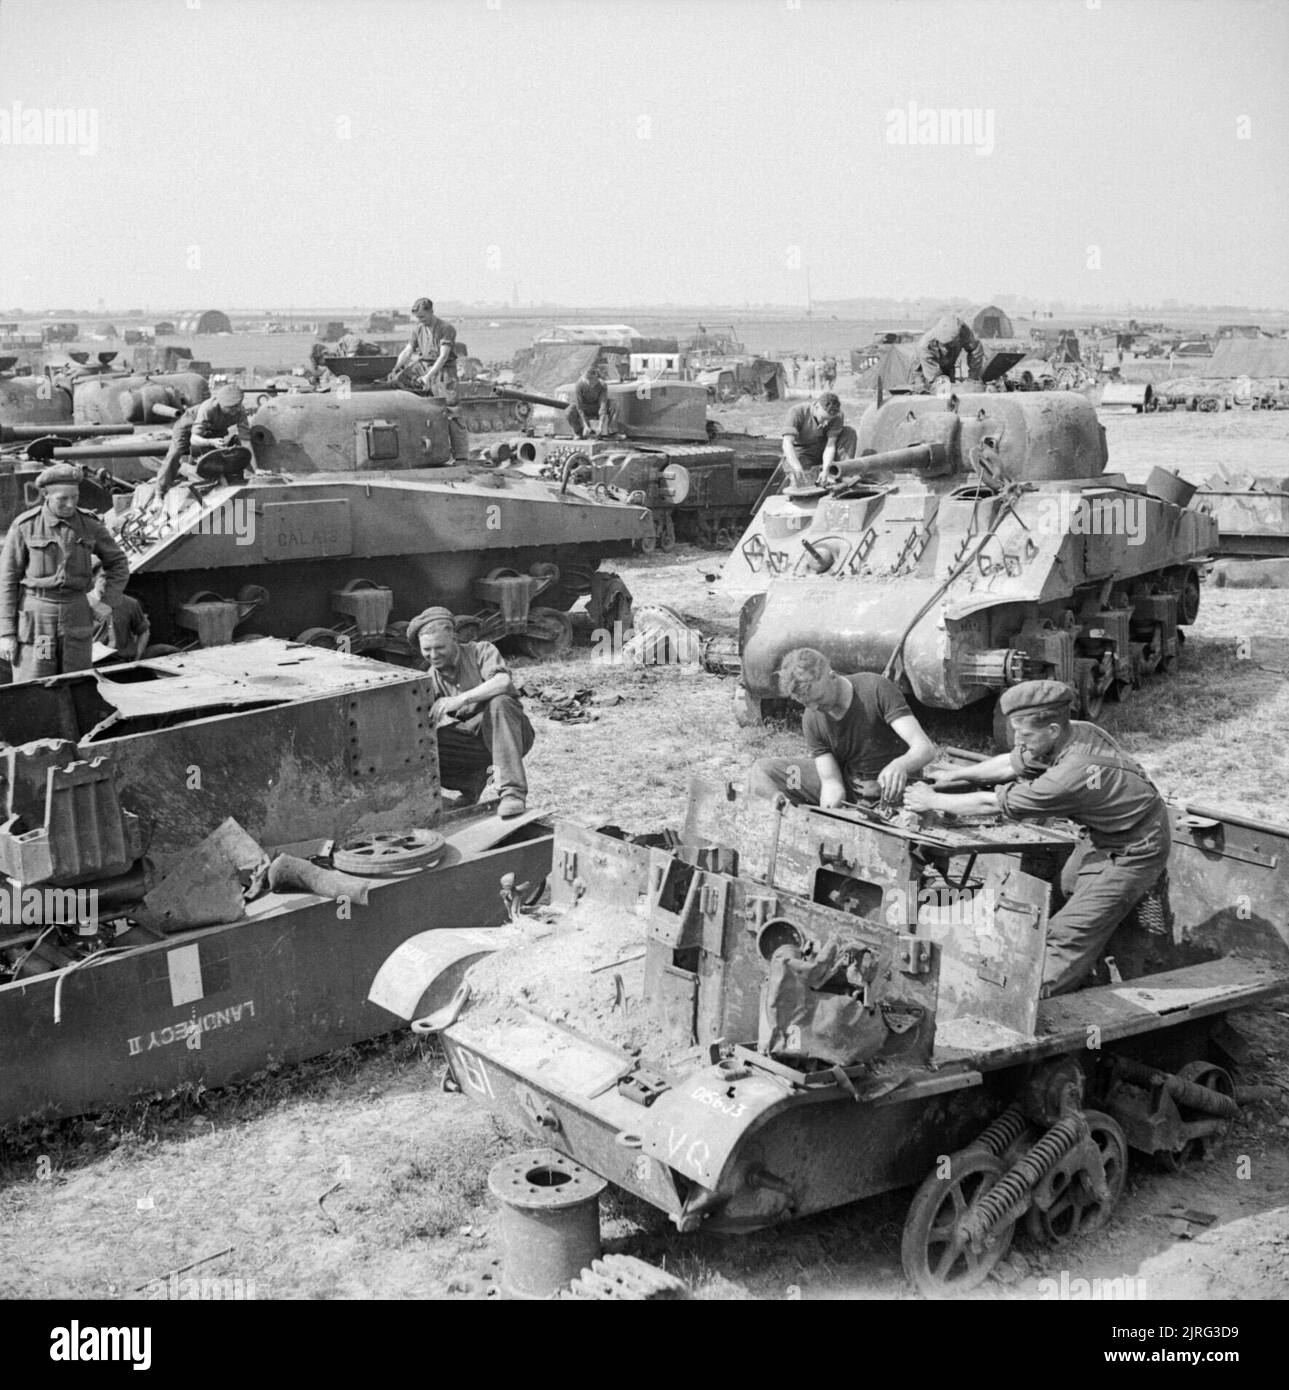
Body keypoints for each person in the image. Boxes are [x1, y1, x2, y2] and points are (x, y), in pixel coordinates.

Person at [904, 680, 1171, 998]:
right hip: (1104, 834)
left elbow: (993, 804)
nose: (1018, 740)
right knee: (1053, 898)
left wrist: (932, 801)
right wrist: (954, 776)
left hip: (1136, 848)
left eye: (1025, 735)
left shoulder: (1071, 775)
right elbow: (1009, 764)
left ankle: (1020, 1002)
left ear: (1053, 729)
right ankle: (1075, 961)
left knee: (1066, 935)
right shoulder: (1072, 733)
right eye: (1016, 731)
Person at [748, 647, 937, 807]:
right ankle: (781, 815)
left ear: (832, 676)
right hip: (849, 786)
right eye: (807, 704)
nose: (814, 708)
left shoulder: (876, 689)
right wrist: (829, 813)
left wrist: (900, 765)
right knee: (765, 771)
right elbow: (831, 782)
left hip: (894, 791)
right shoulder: (812, 718)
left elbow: (925, 749)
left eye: (819, 699)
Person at [0, 463, 130, 682]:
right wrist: (6, 633)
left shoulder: (89, 525)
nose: (70, 504)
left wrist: (108, 601)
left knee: (76, 681)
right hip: (39, 621)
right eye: (63, 499)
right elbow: (7, 580)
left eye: (75, 497)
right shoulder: (25, 526)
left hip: (76, 617)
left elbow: (118, 563)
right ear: (45, 495)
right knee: (36, 683)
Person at [408, 606, 535, 819]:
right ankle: (472, 783)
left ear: (455, 639)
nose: (433, 655)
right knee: (427, 746)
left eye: (439, 647)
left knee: (499, 703)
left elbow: (502, 682)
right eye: (426, 650)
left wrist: (460, 699)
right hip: (475, 741)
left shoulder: (480, 651)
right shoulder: (430, 678)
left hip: (511, 732)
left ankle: (512, 793)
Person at [390, 298, 467, 460]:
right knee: (399, 381)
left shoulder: (446, 329)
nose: (420, 321)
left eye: (423, 317)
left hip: (443, 368)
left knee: (452, 410)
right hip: (423, 364)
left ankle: (461, 457)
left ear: (432, 312)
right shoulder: (418, 329)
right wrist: (392, 368)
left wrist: (428, 377)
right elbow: (407, 351)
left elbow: (444, 356)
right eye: (418, 318)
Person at [156, 384, 253, 495]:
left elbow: (245, 439)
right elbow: (194, 439)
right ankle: (159, 492)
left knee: (218, 460)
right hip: (188, 427)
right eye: (230, 408)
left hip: (214, 430)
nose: (235, 411)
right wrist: (211, 442)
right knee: (175, 453)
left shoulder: (240, 411)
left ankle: (191, 471)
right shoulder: (208, 408)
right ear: (220, 403)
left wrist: (253, 471)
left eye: (237, 406)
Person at [781, 392, 858, 487]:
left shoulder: (837, 416)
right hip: (802, 452)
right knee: (804, 482)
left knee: (849, 432)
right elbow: (787, 443)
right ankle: (808, 475)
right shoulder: (797, 412)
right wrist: (796, 467)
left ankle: (843, 473)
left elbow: (830, 445)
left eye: (830, 420)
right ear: (816, 407)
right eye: (823, 418)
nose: (826, 423)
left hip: (822, 448)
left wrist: (826, 469)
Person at [90, 559, 150, 664]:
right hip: (94, 666)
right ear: (93, 578)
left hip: (123, 665)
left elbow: (144, 632)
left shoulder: (130, 604)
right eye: (103, 576)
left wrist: (137, 659)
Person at [912, 313, 986, 393]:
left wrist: (972, 377)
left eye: (951, 344)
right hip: (925, 369)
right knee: (930, 393)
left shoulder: (963, 331)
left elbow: (975, 349)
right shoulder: (926, 346)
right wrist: (960, 390)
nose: (947, 349)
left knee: (954, 397)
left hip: (948, 365)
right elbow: (937, 379)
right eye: (945, 345)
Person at [565, 362, 620, 439]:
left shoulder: (602, 385)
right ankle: (578, 432)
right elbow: (579, 407)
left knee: (614, 404)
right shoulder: (579, 385)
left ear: (597, 378)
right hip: (584, 407)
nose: (592, 383)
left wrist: (600, 425)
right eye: (589, 381)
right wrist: (586, 425)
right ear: (585, 380)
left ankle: (612, 431)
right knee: (569, 411)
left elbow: (603, 405)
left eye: (594, 380)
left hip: (596, 406)